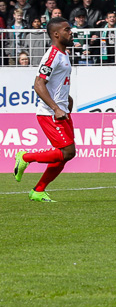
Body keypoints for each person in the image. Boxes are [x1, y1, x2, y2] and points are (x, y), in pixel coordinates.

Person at [12, 17, 77, 203]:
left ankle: (38, 191)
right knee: (68, 152)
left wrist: (67, 100)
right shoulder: (53, 55)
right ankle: (25, 157)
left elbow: (57, 83)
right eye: (67, 29)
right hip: (50, 113)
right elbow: (38, 84)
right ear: (56, 34)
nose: (70, 32)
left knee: (65, 157)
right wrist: (56, 108)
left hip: (62, 109)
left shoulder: (64, 55)